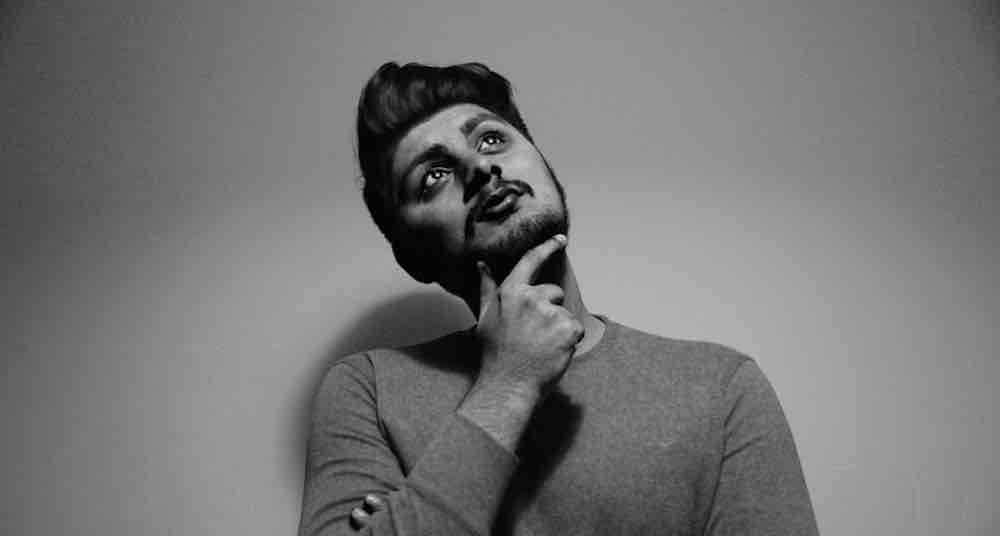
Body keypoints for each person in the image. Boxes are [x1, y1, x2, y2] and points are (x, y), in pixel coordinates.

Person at [298, 61, 819, 535]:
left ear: (546, 167)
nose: (478, 168)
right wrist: (508, 384)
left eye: (492, 140)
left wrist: (412, 515)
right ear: (412, 255)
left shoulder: (720, 389)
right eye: (433, 176)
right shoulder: (369, 390)